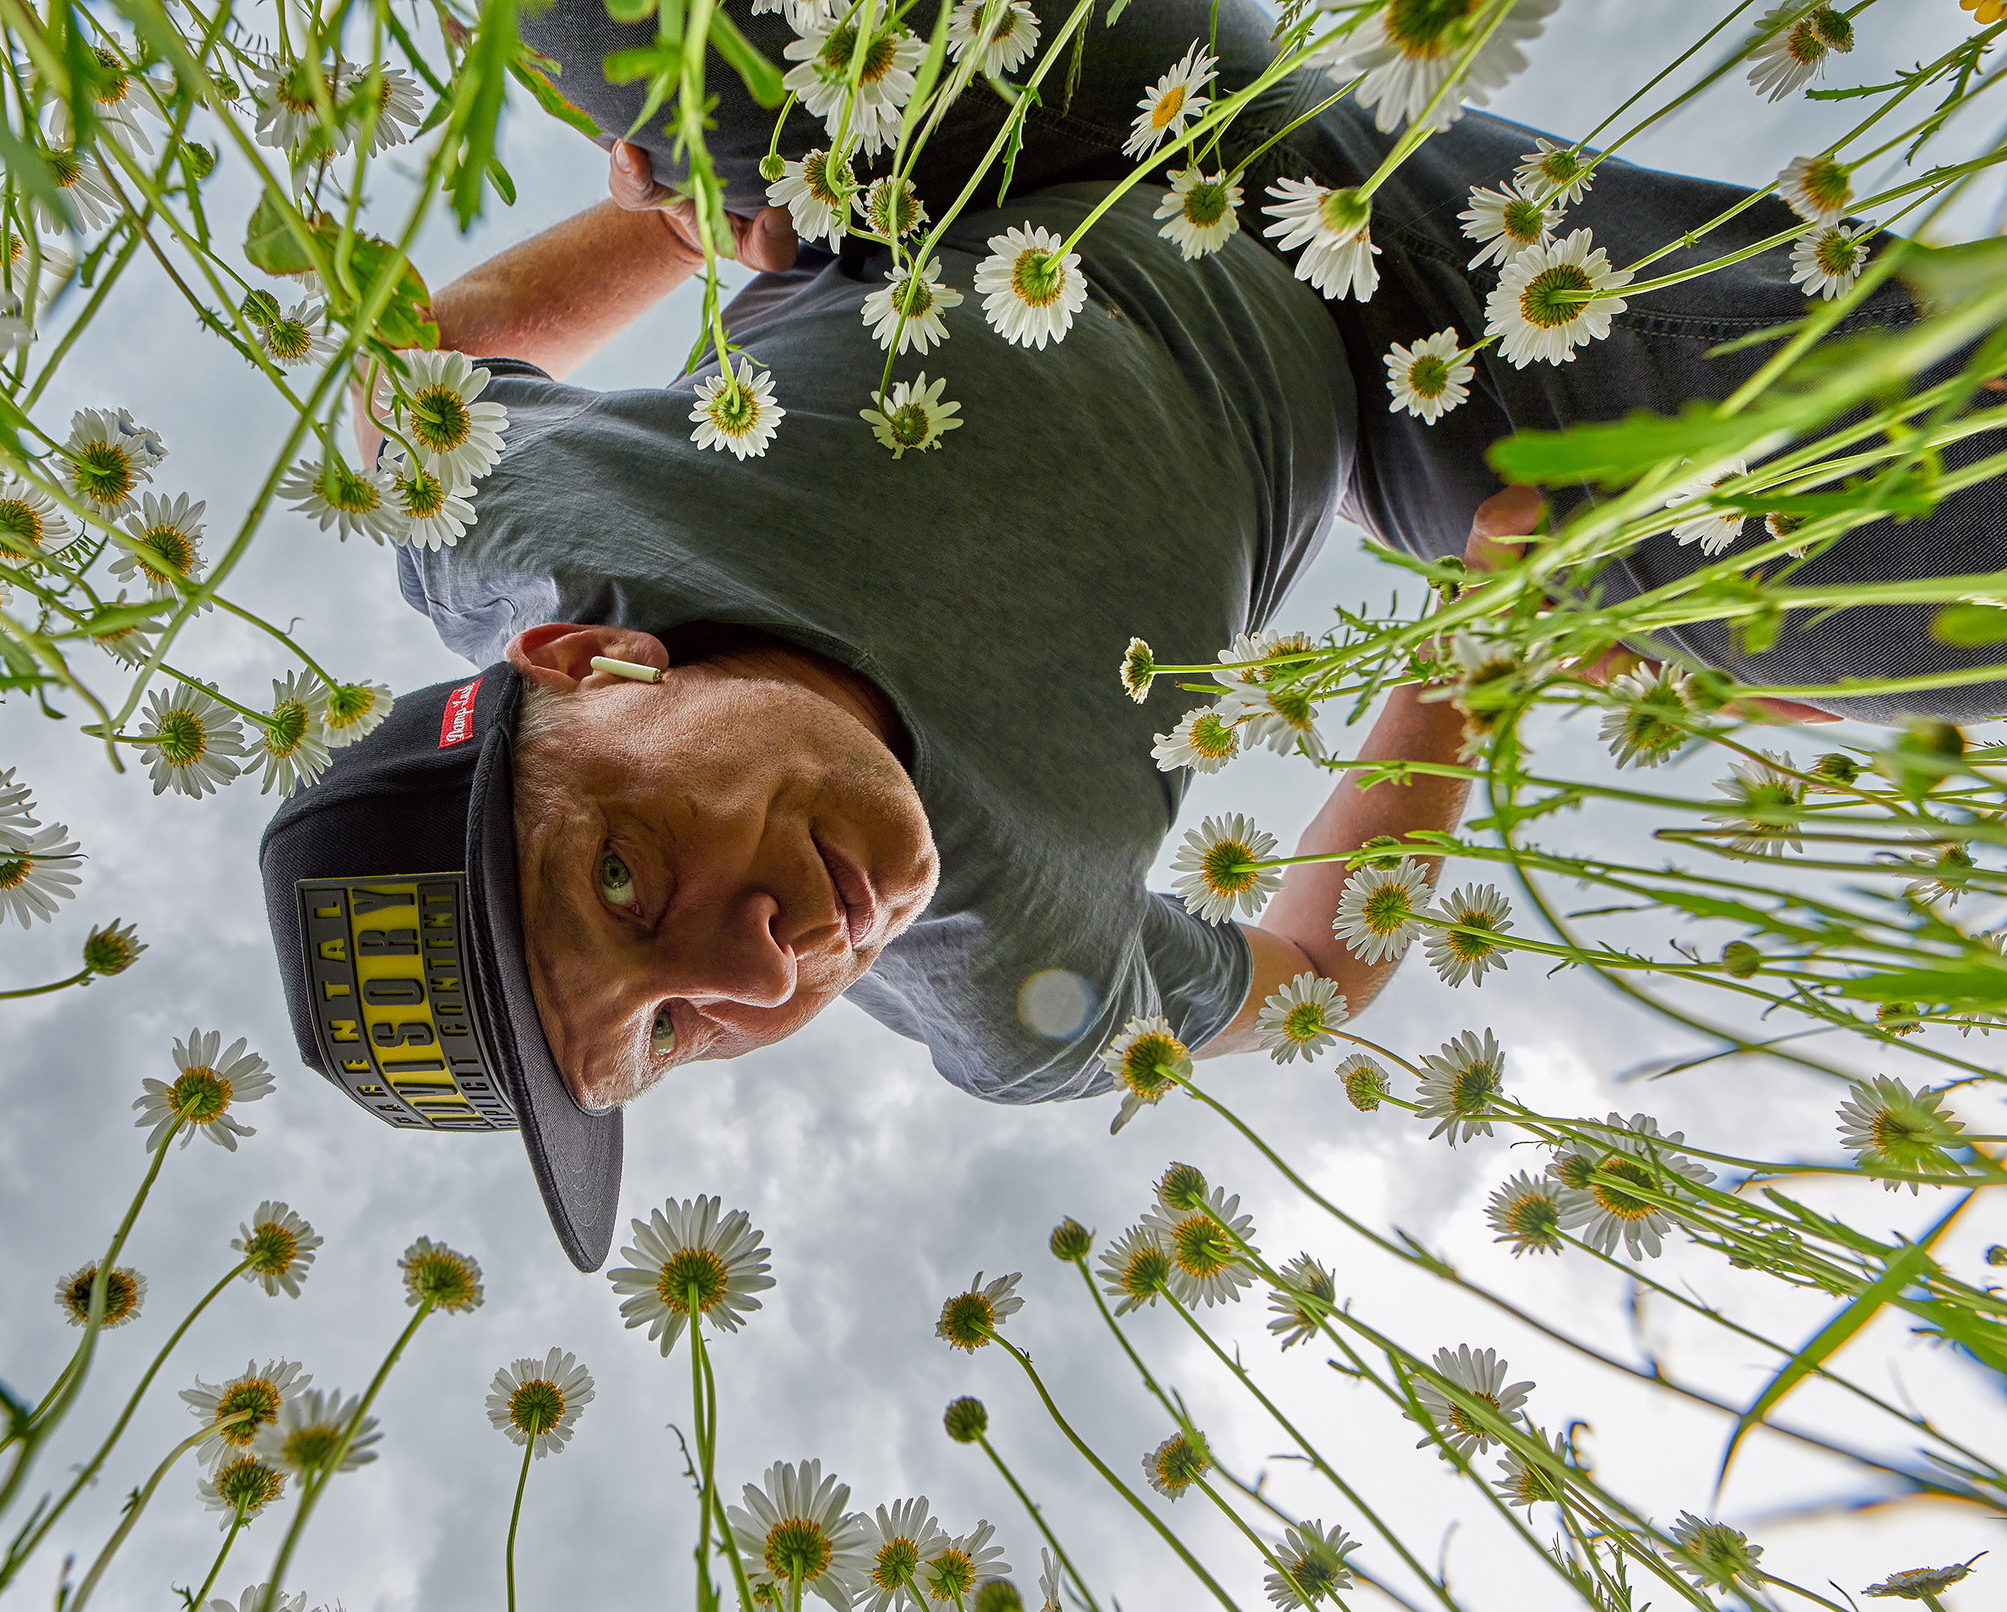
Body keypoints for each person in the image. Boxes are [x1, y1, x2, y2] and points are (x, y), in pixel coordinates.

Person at [261, 0, 2003, 1270]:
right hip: (1401, 320)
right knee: (1905, 577)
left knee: (633, 29)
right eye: (664, 1038)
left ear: (584, 674)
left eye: (625, 882)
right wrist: (1474, 651)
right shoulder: (1022, 992)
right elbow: (1306, 976)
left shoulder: (521, 544)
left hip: (1020, 118)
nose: (757, 971)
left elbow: (400, 368)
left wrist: (664, 221)